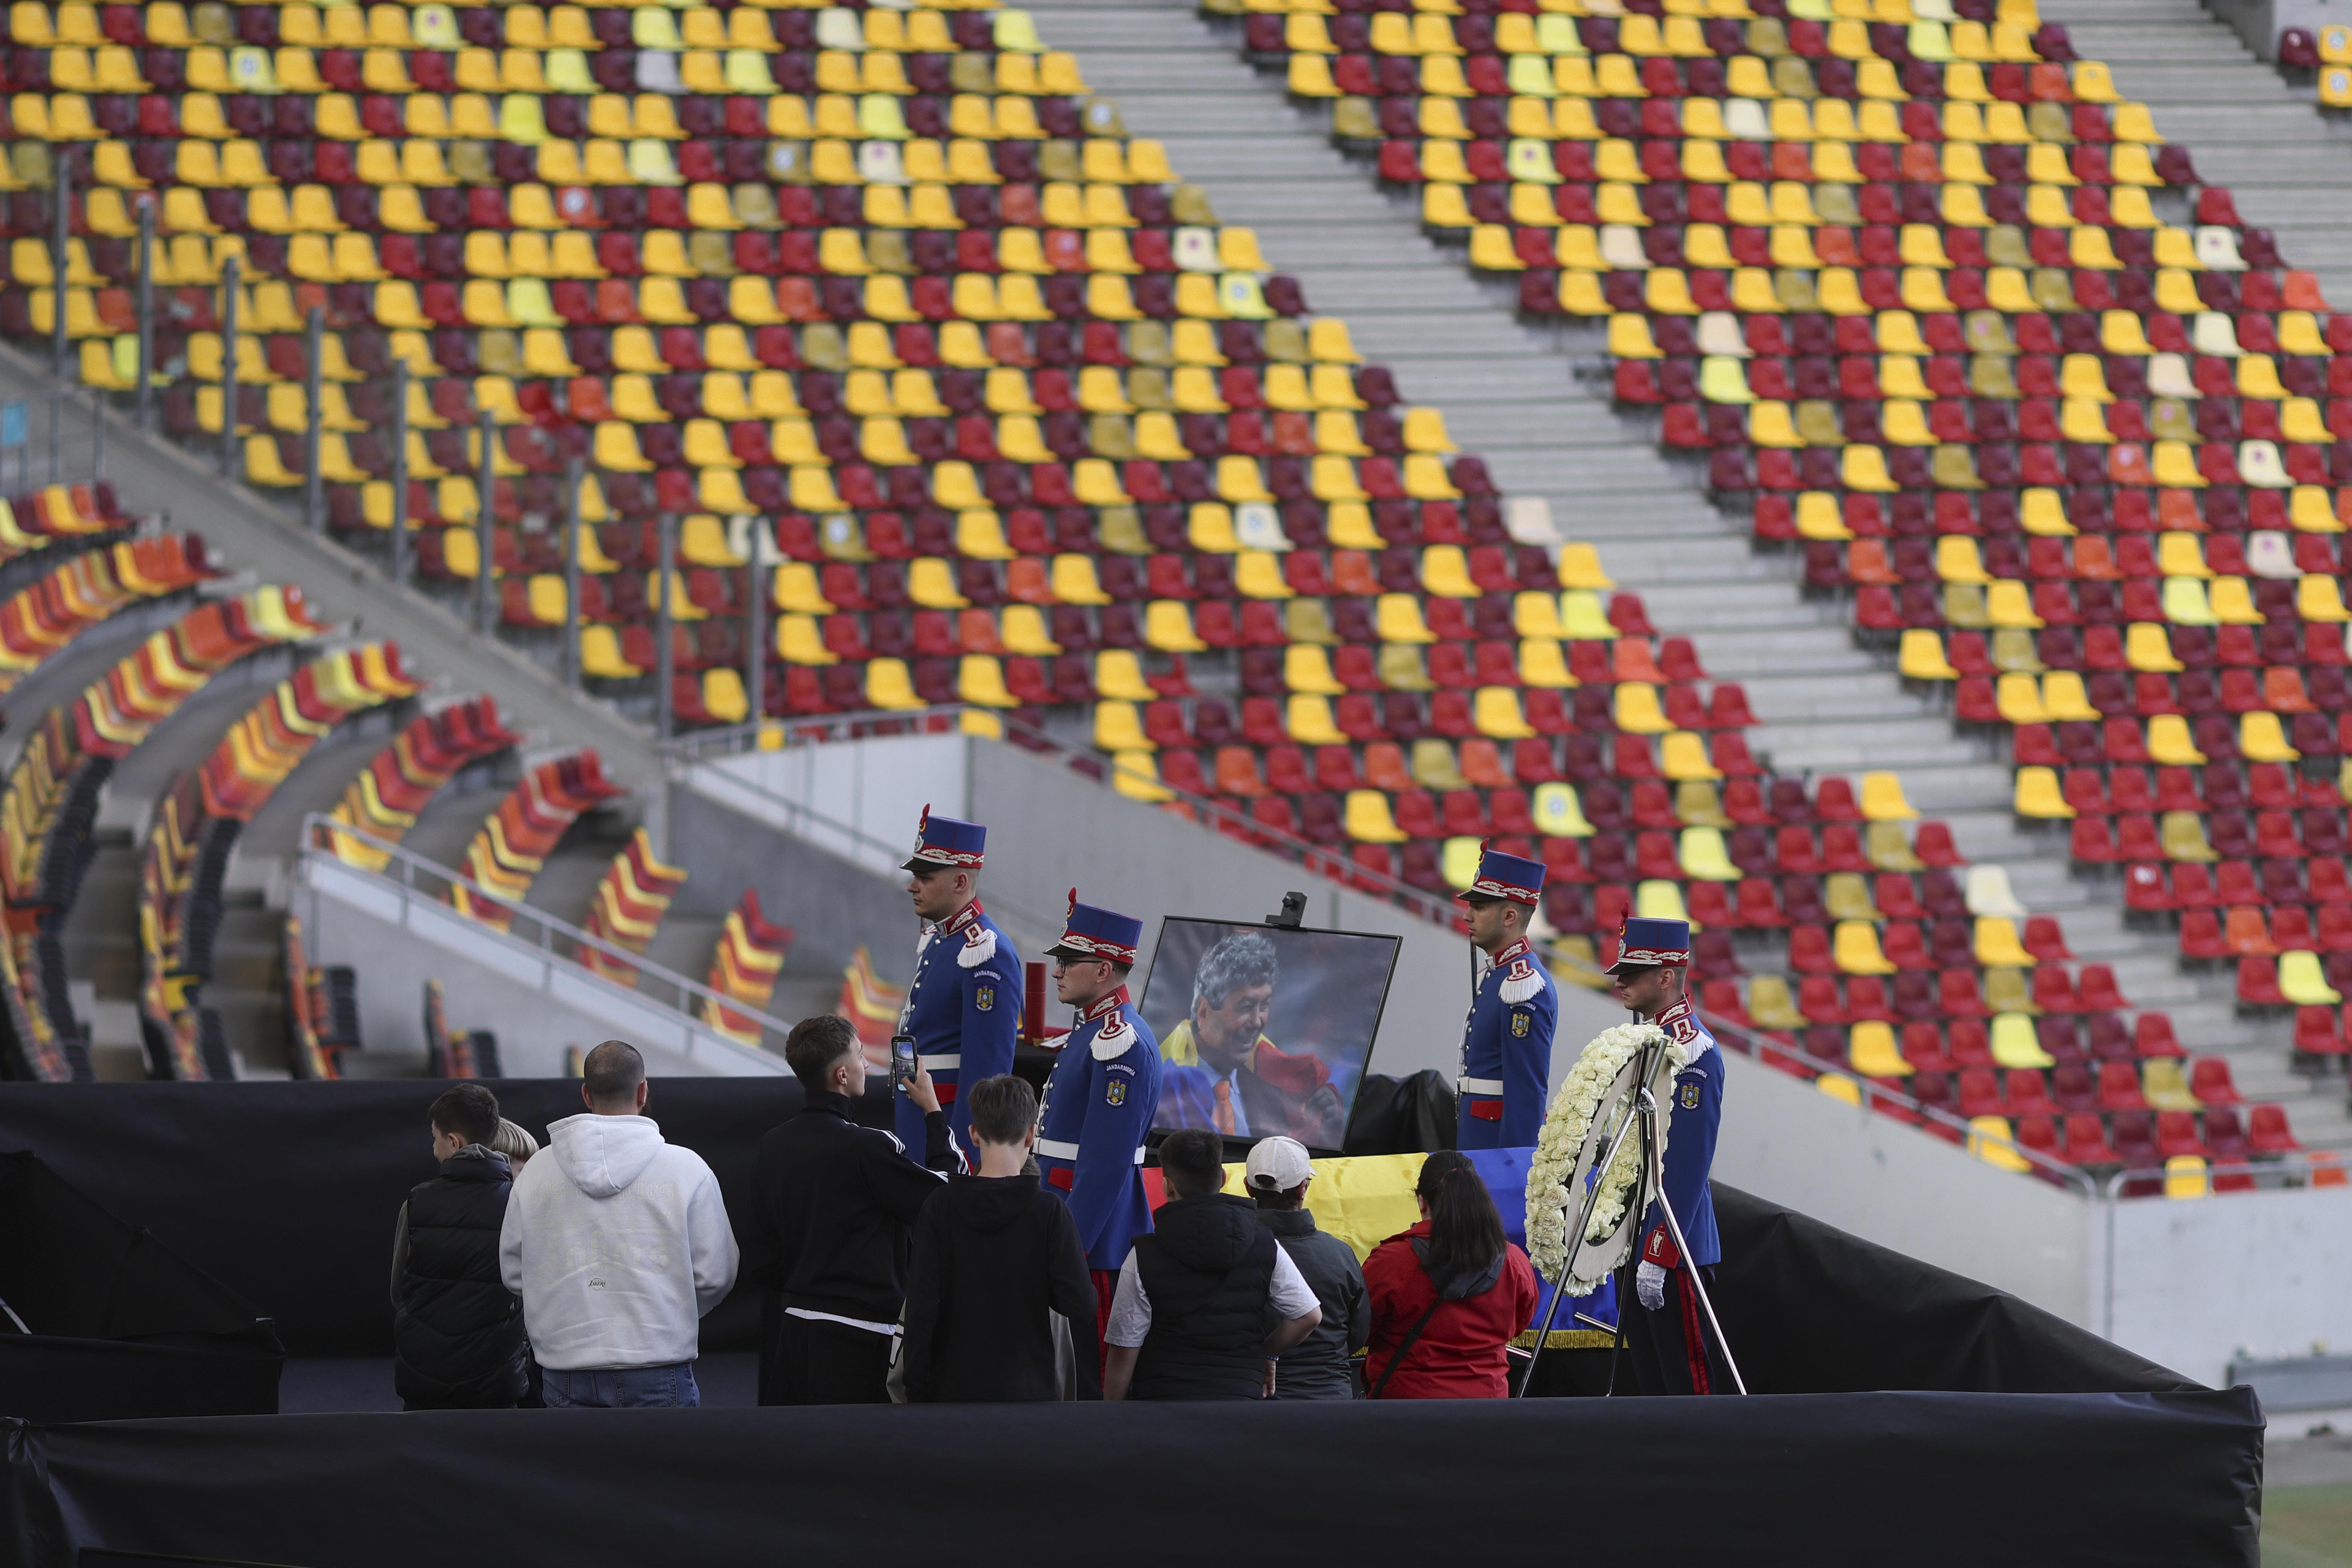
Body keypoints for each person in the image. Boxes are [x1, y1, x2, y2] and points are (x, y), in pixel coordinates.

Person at [499, 1041, 738, 1409]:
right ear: (643, 1092)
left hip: (565, 1367)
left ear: (586, 1094)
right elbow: (716, 1275)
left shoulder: (534, 1173)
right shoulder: (688, 1169)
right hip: (658, 1362)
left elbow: (515, 1272)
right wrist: (669, 1310)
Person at [741, 1013, 954, 1405]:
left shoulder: (773, 1144)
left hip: (792, 1334)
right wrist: (933, 1111)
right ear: (842, 1075)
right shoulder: (867, 1148)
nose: (866, 1064)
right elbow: (947, 1198)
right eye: (859, 1055)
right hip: (861, 1340)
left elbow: (761, 1252)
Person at [901, 1074, 1102, 1401]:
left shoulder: (940, 1206)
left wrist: (916, 1390)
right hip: (1027, 1394)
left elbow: (921, 1309)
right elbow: (1081, 1305)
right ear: (1031, 1135)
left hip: (952, 1393)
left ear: (974, 1134)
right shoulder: (1049, 1211)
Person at [1101, 1128, 1322, 1401]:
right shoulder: (1265, 1244)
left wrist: (1112, 1411)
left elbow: (1125, 1345)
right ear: (1223, 1178)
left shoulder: (1143, 1254)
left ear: (1167, 1186)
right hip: (1240, 1401)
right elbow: (1309, 1316)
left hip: (1163, 1402)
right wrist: (1267, 1353)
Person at [1608, 916, 1730, 1396]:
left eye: (1632, 972)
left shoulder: (1694, 1053)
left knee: (1686, 1387)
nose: (1620, 980)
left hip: (1672, 1246)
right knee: (1652, 1387)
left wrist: (1659, 1250)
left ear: (1665, 977)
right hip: (1634, 1235)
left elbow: (1685, 1164)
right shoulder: (1645, 1042)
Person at [1034, 891, 1160, 1335]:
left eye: (1069, 961)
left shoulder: (1118, 1042)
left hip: (1090, 1239)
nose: (1057, 971)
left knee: (1086, 1367)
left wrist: (1070, 1251)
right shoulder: (1093, 1028)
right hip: (1062, 1217)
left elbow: (1105, 1164)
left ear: (1104, 970)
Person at [897, 804, 1024, 1169]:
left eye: (925, 877)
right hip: (919, 1118)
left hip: (946, 1128)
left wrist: (964, 1156)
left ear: (960, 882)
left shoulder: (986, 952)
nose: (912, 886)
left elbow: (987, 1070)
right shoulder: (942, 939)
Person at [389, 1082, 529, 1411]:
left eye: (435, 1138)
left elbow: (399, 1292)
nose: (433, 1147)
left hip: (425, 1374)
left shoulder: (416, 1202)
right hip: (497, 1375)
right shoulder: (521, 1203)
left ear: (453, 1142)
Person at [1360, 1151, 1539, 1399]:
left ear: (1422, 1202)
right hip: (1488, 1406)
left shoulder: (1390, 1261)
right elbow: (1520, 1323)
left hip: (1405, 1407)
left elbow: (1361, 1329)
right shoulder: (1514, 1261)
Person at [1154, 930, 1346, 1146]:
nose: (1257, 1022)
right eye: (1245, 1007)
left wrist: (1325, 1125)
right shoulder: (1163, 1088)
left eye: (1264, 1006)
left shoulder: (1273, 1096)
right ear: (1204, 1012)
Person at [1244, 1136, 1368, 1400]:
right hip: (1331, 1399)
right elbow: (1358, 1334)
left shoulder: (1235, 1252)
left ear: (1248, 1187)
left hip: (1258, 1400)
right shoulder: (1341, 1254)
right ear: (1303, 1189)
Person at [1454, 842, 1559, 1150]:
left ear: (1510, 916)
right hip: (1477, 1137)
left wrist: (1514, 1162)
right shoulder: (1499, 974)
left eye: (1479, 907)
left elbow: (1526, 1092)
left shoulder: (1523, 984)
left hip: (1495, 1146)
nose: (1467, 916)